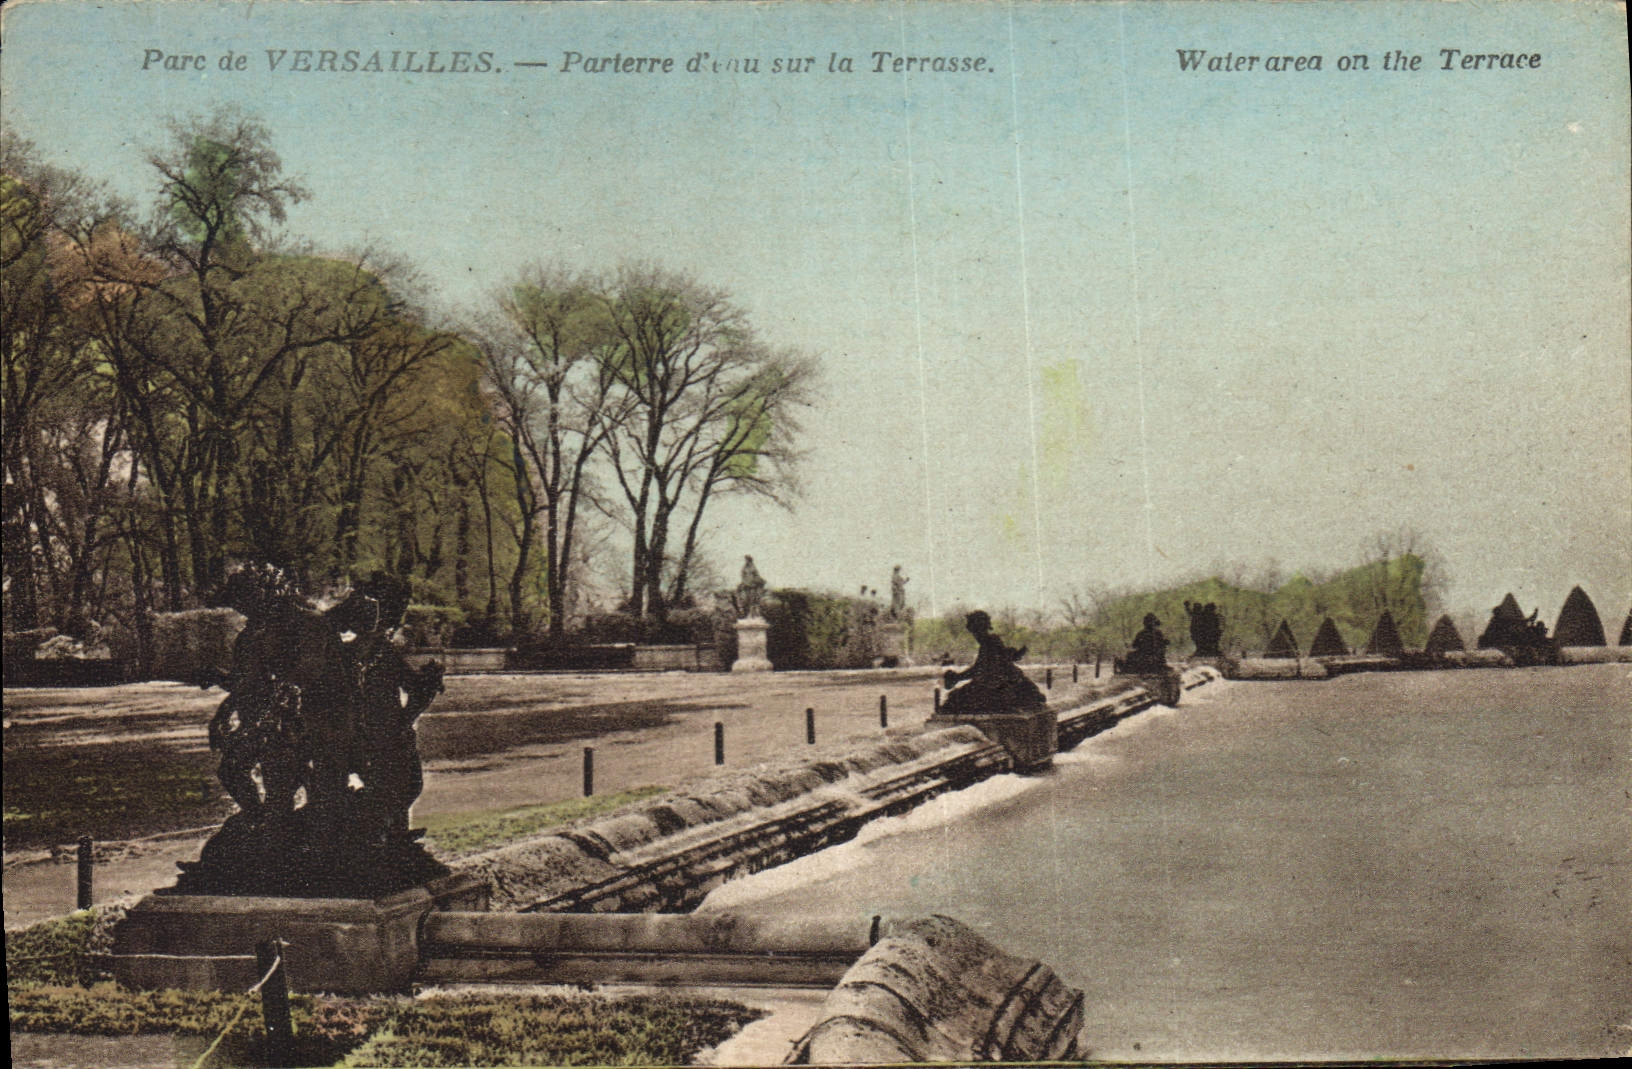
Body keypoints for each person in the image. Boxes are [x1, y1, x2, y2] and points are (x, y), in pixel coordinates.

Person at [940, 610, 1045, 715]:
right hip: (1002, 683)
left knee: (955, 701)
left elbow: (980, 669)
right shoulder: (991, 642)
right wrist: (958, 677)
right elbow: (984, 667)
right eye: (974, 630)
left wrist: (957, 677)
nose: (975, 634)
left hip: (999, 686)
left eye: (976, 630)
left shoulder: (989, 643)